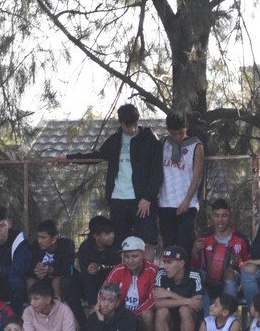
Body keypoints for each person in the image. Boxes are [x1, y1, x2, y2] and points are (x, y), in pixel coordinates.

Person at [79, 103, 162, 245]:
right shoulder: (115, 140)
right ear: (120, 123)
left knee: (146, 241)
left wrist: (148, 197)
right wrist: (69, 159)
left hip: (141, 200)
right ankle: (122, 267)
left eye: (134, 125)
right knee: (120, 242)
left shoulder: (149, 139)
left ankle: (149, 268)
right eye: (127, 126)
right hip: (118, 198)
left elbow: (157, 172)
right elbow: (97, 156)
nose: (132, 129)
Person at [156, 113, 204, 255]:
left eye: (180, 133)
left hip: (187, 203)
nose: (177, 137)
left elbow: (197, 176)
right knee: (169, 247)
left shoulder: (196, 145)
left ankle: (186, 275)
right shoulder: (164, 143)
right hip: (166, 203)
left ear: (186, 128)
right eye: (173, 134)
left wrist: (186, 201)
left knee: (184, 246)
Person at [151, 246, 203, 331]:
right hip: (169, 321)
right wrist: (187, 301)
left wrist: (170, 294)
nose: (165, 266)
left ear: (181, 263)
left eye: (169, 262)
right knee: (161, 312)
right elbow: (157, 304)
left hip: (190, 321)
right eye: (164, 262)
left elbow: (197, 304)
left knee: (185, 310)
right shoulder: (161, 275)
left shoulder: (195, 275)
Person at [102, 235, 157, 331]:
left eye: (134, 256)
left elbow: (153, 299)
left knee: (147, 315)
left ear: (143, 255)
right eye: (127, 257)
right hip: (121, 313)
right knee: (97, 311)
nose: (130, 260)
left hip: (141, 316)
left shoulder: (153, 270)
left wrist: (133, 315)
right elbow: (105, 292)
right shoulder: (119, 269)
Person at [0, 206, 32, 311]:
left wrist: (1, 270)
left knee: (16, 282)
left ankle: (15, 320)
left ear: (9, 224)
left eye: (2, 226)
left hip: (11, 282)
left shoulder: (19, 240)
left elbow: (21, 268)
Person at [75, 215, 120, 313]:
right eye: (107, 234)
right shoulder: (85, 249)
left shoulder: (117, 245)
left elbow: (119, 268)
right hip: (93, 286)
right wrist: (93, 303)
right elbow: (86, 277)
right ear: (96, 236)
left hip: (114, 284)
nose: (112, 236)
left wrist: (101, 267)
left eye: (112, 232)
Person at [27, 219, 75, 305]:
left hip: (62, 281)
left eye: (43, 238)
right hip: (43, 281)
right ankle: (34, 311)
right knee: (30, 281)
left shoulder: (67, 245)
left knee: (57, 280)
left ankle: (57, 311)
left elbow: (69, 269)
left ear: (54, 238)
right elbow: (30, 267)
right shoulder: (35, 246)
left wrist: (51, 270)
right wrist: (37, 271)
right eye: (38, 237)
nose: (39, 241)